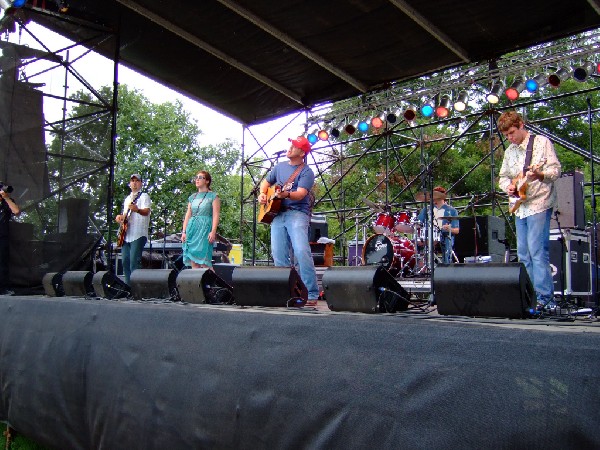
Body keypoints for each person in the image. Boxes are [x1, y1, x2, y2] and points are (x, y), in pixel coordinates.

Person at [498, 111, 561, 310]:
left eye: (512, 132)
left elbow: (555, 170)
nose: (510, 137)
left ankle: (546, 299)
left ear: (521, 125)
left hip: (539, 202)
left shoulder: (542, 143)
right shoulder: (509, 151)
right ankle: (530, 297)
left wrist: (539, 174)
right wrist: (507, 186)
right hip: (520, 206)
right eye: (506, 135)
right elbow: (503, 177)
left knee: (537, 251)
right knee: (524, 253)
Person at [258, 136, 320, 305]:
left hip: (297, 213)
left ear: (302, 152)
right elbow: (265, 183)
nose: (290, 147)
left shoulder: (306, 171)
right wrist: (263, 195)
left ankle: (312, 294)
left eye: (295, 146)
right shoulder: (279, 167)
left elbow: (300, 194)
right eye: (291, 144)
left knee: (301, 251)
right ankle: (287, 292)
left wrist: (286, 194)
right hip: (277, 214)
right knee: (278, 255)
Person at [115, 174, 151, 284]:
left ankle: (136, 288)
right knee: (125, 261)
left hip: (138, 233)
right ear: (129, 184)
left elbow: (146, 212)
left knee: (134, 261)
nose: (134, 183)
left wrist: (137, 210)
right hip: (126, 234)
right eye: (132, 181)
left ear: (141, 183)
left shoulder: (144, 196)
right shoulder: (127, 199)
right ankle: (128, 287)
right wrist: (120, 218)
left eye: (137, 181)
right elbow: (125, 215)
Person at [181, 170, 221, 268]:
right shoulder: (192, 197)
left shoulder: (213, 196)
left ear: (207, 181)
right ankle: (198, 283)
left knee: (204, 262)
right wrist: (184, 231)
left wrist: (213, 231)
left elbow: (216, 215)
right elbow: (188, 215)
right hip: (192, 229)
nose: (197, 179)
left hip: (205, 229)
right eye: (196, 177)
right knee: (193, 261)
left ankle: (213, 283)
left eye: (200, 177)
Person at [416, 186, 459, 264]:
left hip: (444, 235)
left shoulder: (452, 211)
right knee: (416, 241)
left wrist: (449, 229)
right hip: (429, 234)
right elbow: (418, 223)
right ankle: (420, 265)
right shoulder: (427, 209)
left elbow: (456, 230)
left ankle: (446, 266)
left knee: (447, 241)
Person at [0, 186, 20, 295]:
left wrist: (6, 198)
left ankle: (3, 289)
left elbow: (16, 211)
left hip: (2, 236)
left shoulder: (7, 202)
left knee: (2, 263)